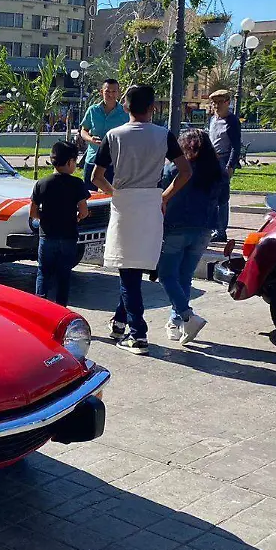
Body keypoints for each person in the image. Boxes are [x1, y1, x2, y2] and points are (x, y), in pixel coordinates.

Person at [91, 83, 191, 355]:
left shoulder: (114, 135)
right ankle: (121, 322)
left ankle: (138, 335)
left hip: (125, 203)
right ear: (152, 108)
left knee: (128, 272)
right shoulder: (164, 135)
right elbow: (185, 171)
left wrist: (115, 193)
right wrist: (165, 197)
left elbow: (96, 177)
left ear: (126, 107)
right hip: (151, 203)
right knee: (134, 269)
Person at [158, 129, 222, 344]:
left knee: (167, 275)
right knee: (184, 276)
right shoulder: (217, 170)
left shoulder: (174, 169)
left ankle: (187, 315)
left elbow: (161, 192)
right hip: (204, 228)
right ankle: (176, 322)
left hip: (176, 226)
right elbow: (223, 199)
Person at [31, 141, 90, 306]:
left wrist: (45, 218)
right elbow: (84, 211)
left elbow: (33, 212)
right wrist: (77, 218)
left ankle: (39, 307)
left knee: (43, 272)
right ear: (70, 161)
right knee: (64, 275)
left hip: (47, 236)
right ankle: (60, 309)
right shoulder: (77, 184)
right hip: (69, 236)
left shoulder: (42, 183)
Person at [79, 79, 130, 192]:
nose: (110, 94)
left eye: (114, 91)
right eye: (107, 91)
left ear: (118, 93)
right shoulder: (93, 110)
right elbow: (83, 130)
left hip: (115, 161)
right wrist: (90, 139)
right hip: (93, 158)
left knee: (113, 194)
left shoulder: (125, 112)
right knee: (88, 194)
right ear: (101, 92)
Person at [206, 89, 241, 243]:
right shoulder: (213, 119)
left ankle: (221, 231)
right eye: (214, 103)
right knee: (210, 196)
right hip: (211, 160)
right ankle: (212, 228)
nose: (217, 106)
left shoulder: (232, 121)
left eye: (220, 102)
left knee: (221, 198)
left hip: (223, 159)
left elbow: (235, 146)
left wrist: (230, 165)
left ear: (228, 102)